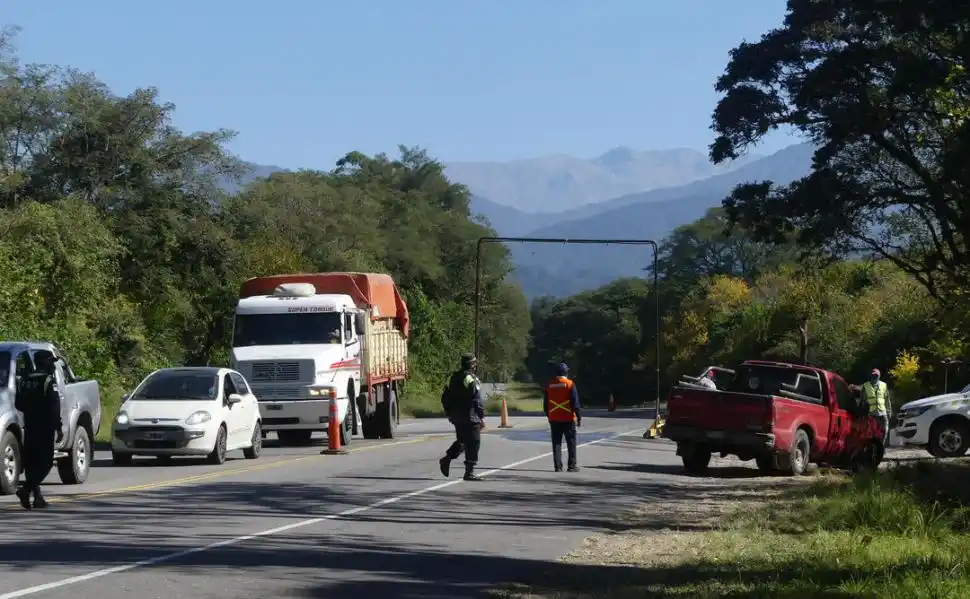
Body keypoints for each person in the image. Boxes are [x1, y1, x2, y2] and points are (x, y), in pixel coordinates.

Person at [14, 350, 64, 510]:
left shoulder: (24, 380)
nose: (53, 365)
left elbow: (18, 404)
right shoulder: (48, 381)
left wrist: (31, 410)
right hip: (45, 427)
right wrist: (59, 427)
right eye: (51, 362)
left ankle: (37, 498)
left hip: (29, 426)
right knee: (46, 462)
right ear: (44, 362)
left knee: (31, 463)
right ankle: (26, 490)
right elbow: (54, 407)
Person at [438, 353, 486, 482]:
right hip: (470, 416)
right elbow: (476, 400)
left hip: (456, 416)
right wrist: (481, 416)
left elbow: (445, 397)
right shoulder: (471, 379)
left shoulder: (453, 377)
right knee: (474, 442)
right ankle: (469, 472)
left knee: (463, 441)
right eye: (475, 364)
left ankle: (447, 459)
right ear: (472, 364)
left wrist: (449, 413)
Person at [544, 362, 582, 472]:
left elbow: (546, 403)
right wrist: (578, 416)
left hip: (554, 418)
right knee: (571, 442)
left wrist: (548, 415)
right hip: (568, 418)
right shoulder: (570, 384)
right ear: (566, 372)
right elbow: (575, 403)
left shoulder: (549, 385)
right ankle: (571, 465)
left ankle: (558, 466)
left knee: (556, 442)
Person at [860, 368, 890, 445]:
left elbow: (887, 400)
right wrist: (862, 413)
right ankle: (872, 450)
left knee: (884, 432)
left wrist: (889, 412)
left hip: (882, 413)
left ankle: (881, 448)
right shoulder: (865, 386)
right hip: (871, 414)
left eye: (876, 375)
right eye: (873, 375)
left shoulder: (884, 385)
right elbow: (862, 400)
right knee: (871, 434)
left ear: (879, 376)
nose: (875, 377)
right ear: (871, 376)